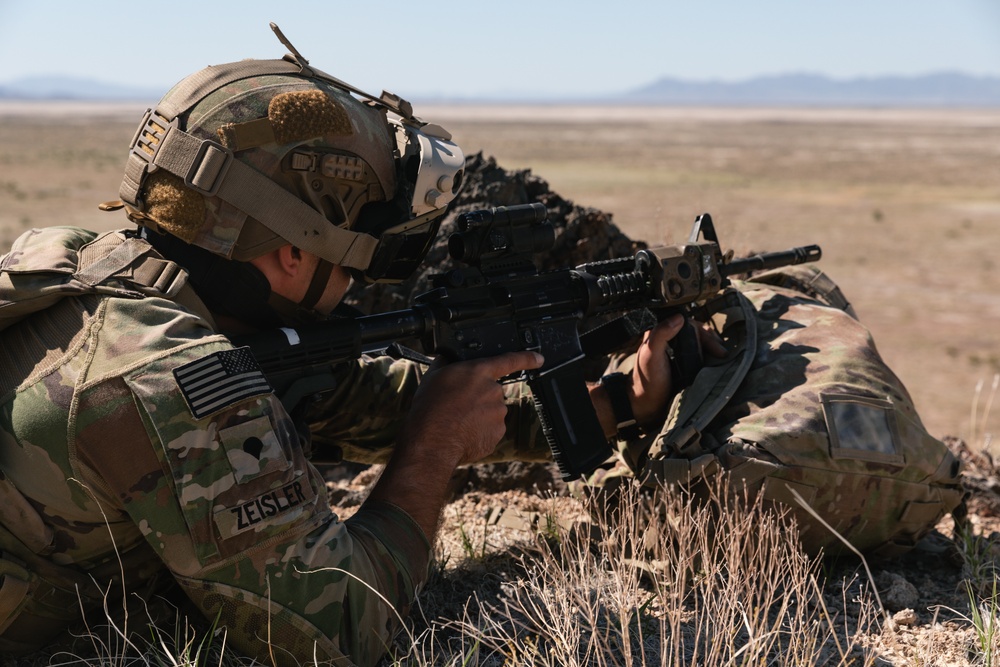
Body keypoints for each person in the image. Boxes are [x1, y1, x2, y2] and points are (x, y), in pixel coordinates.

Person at [0, 30, 684, 666]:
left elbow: (346, 395)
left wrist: (617, 402)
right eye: (364, 239)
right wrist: (434, 449)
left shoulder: (103, 267)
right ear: (294, 251)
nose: (366, 270)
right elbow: (345, 628)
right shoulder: (166, 382)